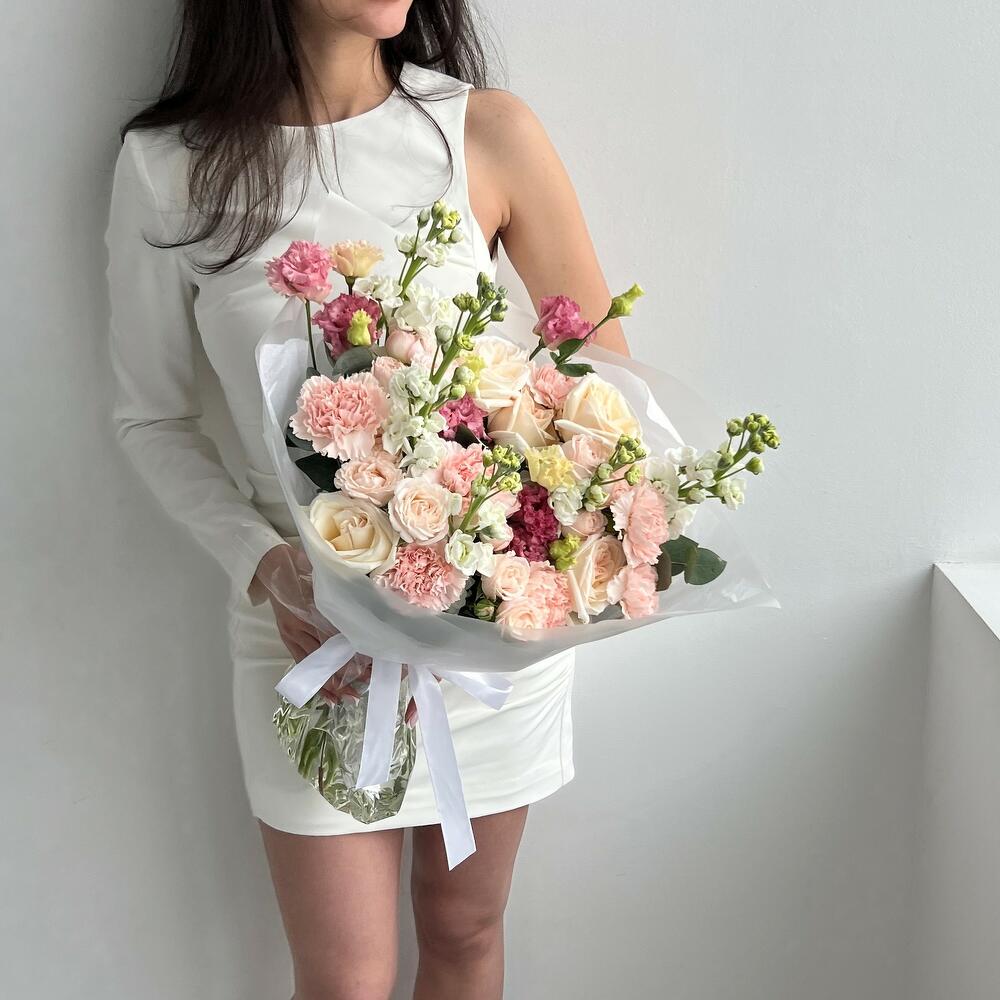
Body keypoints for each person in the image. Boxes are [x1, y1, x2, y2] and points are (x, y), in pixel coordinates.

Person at [105, 2, 628, 997]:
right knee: (346, 977)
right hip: (308, 641)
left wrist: (505, 532)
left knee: (465, 931)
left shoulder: (485, 131)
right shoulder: (170, 167)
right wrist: (265, 565)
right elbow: (150, 420)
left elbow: (604, 393)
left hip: (487, 629)